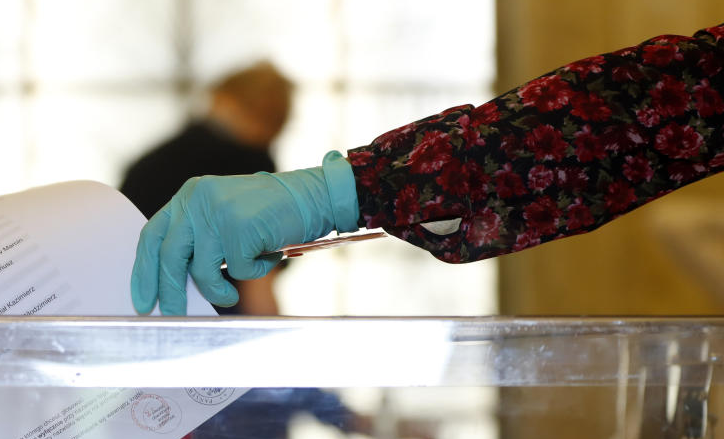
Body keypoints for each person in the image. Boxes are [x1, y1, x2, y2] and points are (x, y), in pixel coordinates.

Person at [131, 22, 724, 315]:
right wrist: (354, 189)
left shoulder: (181, 154)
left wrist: (345, 191)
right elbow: (650, 104)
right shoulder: (233, 157)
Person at [121, 60, 293, 314]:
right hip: (217, 309)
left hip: (141, 301)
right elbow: (258, 279)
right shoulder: (253, 163)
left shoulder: (154, 161)